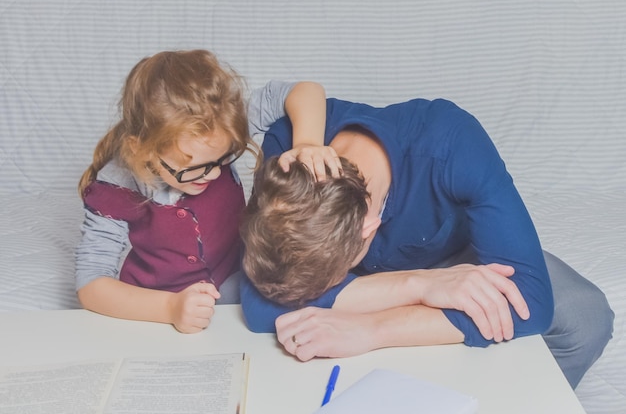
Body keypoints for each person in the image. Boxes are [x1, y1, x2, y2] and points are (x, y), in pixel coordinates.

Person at [240, 96, 614, 389]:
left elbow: (532, 301)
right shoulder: (288, 150)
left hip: (457, 263)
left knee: (585, 315)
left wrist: (374, 330)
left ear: (370, 228)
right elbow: (260, 303)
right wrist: (418, 286)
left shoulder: (451, 143)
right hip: (387, 280)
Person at [76, 49, 341, 334]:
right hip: (159, 303)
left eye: (223, 159)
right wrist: (169, 308)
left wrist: (307, 143)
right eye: (192, 167)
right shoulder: (117, 184)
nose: (214, 174)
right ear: (142, 150)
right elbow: (90, 285)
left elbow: (306, 91)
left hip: (237, 281)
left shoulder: (221, 125)